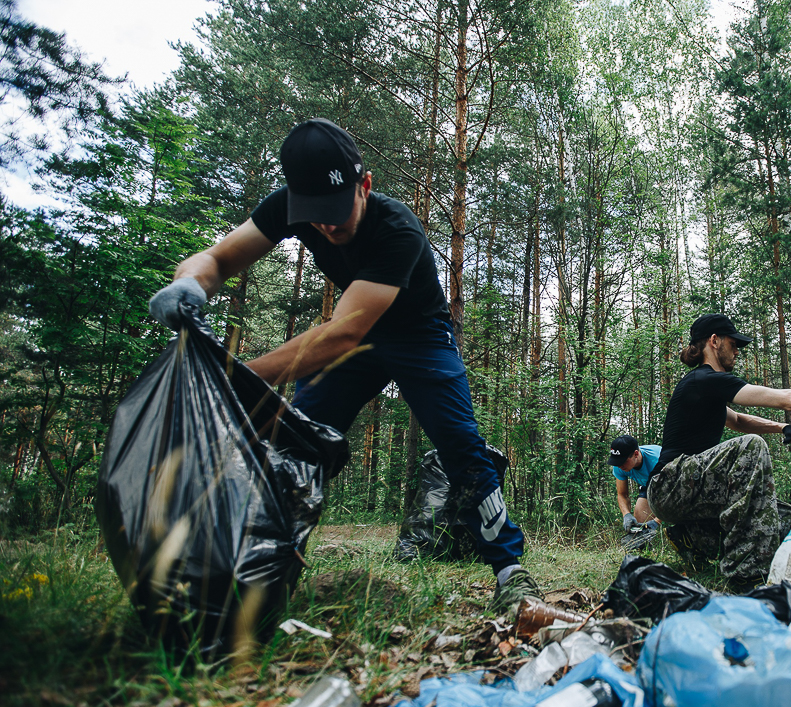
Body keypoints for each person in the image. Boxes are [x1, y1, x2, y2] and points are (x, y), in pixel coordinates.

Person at [147, 118, 540, 613]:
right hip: (356, 339)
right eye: (314, 216)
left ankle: (510, 570)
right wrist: (189, 284)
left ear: (365, 185)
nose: (328, 226)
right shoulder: (289, 208)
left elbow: (342, 332)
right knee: (297, 439)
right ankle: (263, 570)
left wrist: (236, 375)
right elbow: (218, 259)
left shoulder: (398, 229)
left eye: (336, 210)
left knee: (460, 447)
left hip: (419, 337)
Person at [646, 313, 791, 590]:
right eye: (733, 343)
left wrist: (784, 429)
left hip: (691, 490)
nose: (737, 350)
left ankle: (692, 538)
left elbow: (739, 420)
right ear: (714, 341)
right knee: (752, 446)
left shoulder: (706, 388)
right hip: (669, 485)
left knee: (785, 519)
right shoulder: (703, 379)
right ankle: (745, 574)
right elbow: (790, 400)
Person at [607, 434, 663, 551]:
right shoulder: (619, 466)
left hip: (674, 487)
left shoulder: (658, 459)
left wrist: (656, 522)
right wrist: (626, 515)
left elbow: (675, 496)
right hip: (648, 486)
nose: (619, 465)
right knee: (640, 527)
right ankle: (645, 551)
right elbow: (622, 494)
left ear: (636, 454)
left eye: (623, 461)